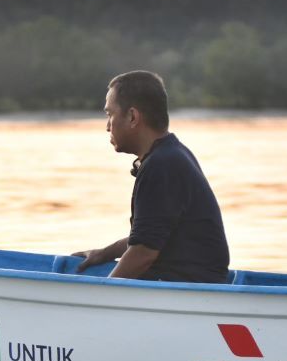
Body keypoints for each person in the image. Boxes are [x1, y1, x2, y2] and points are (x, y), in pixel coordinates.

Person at [73, 70, 229, 283]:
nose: (107, 126)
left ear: (132, 117)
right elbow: (149, 238)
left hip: (191, 291)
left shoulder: (161, 165)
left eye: (110, 114)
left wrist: (102, 296)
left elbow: (143, 254)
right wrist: (104, 253)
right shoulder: (172, 153)